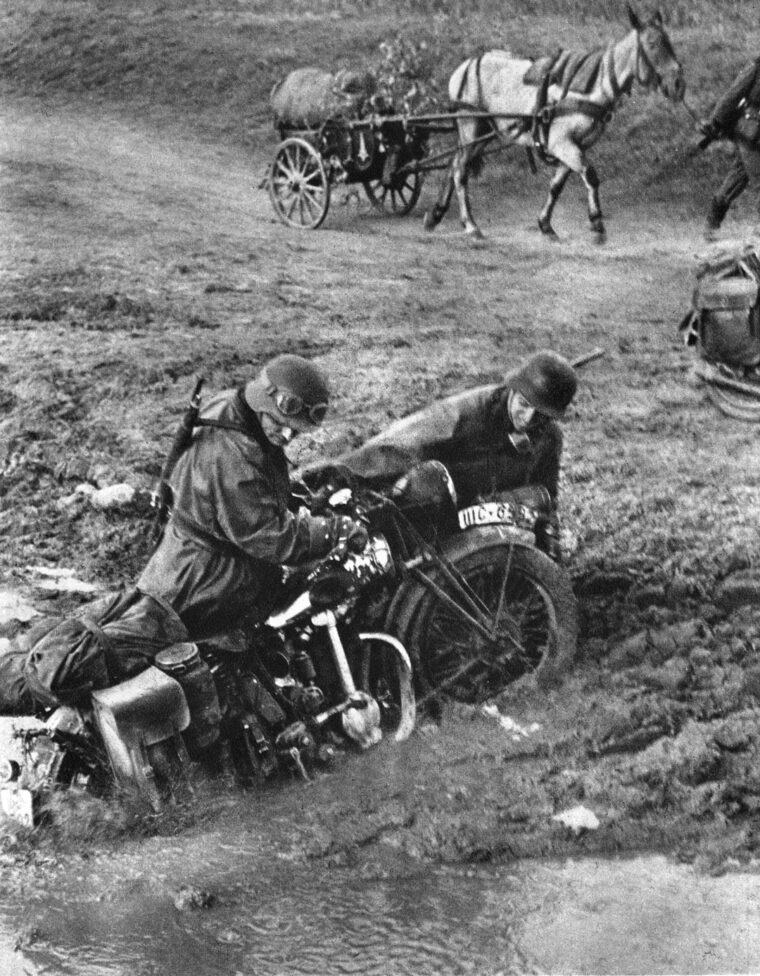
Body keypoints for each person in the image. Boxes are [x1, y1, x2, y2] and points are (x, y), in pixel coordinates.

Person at [0, 354, 368, 715]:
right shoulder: (234, 455)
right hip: (207, 581)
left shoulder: (231, 409)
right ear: (262, 400)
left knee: (118, 625)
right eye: (282, 422)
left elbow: (247, 498)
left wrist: (300, 495)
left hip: (181, 558)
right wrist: (331, 531)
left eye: (296, 428)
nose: (287, 435)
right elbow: (270, 537)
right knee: (100, 652)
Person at [302, 349, 578, 555]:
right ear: (513, 389)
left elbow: (546, 497)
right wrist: (335, 474)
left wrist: (548, 556)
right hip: (433, 513)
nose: (528, 419)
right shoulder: (467, 413)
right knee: (425, 485)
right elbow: (400, 444)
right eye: (523, 404)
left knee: (535, 501)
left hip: (486, 516)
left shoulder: (549, 438)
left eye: (540, 415)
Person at [699, 54, 760, 239]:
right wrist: (716, 121)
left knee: (738, 177)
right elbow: (734, 94)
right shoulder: (756, 67)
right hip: (751, 133)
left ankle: (712, 221)